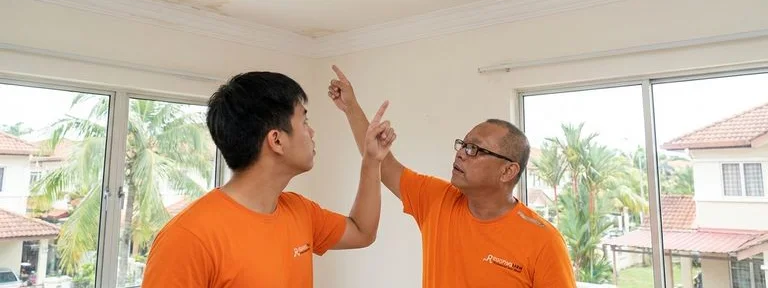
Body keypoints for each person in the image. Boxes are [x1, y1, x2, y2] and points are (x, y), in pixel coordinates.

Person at [141, 71, 396, 287]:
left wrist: (372, 159)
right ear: (276, 140)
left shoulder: (300, 212)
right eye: (304, 121)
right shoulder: (188, 238)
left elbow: (362, 232)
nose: (311, 131)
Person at [328, 65, 575, 287]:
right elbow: (383, 163)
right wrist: (351, 107)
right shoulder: (437, 199)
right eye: (462, 144)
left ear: (508, 171)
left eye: (474, 149)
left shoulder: (543, 241)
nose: (461, 154)